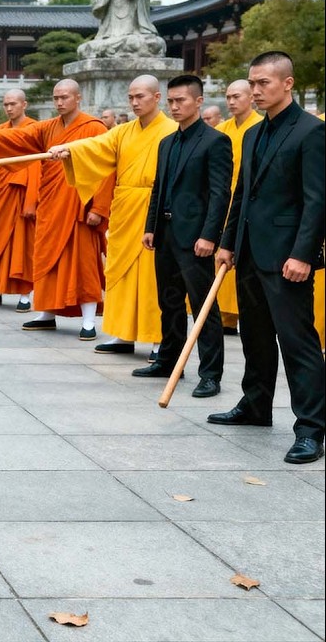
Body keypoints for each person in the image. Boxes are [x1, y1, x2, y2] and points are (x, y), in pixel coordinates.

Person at [211, 51, 324, 464]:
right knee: (253, 336)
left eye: (264, 84)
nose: (256, 91)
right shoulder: (253, 134)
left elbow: (317, 202)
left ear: (288, 84)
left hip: (287, 257)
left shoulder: (311, 132)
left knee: (298, 342)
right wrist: (227, 241)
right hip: (249, 250)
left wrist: (303, 254)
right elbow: (242, 193)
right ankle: (255, 406)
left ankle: (311, 428)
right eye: (252, 83)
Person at [0, 80, 110, 337]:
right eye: (56, 98)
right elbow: (16, 136)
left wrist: (98, 208)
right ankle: (46, 312)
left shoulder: (94, 128)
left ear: (78, 98)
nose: (59, 102)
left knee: (83, 263)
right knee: (46, 259)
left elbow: (106, 169)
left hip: (78, 206)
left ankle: (88, 321)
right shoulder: (48, 127)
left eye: (64, 97)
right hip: (51, 205)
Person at [53, 76, 176, 347]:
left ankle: (158, 340)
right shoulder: (123, 131)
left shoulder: (172, 130)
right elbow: (98, 147)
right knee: (119, 273)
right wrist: (69, 150)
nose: (134, 102)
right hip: (124, 207)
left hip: (153, 208)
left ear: (157, 98)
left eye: (140, 96)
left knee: (151, 277)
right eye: (131, 97)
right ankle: (123, 333)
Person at [137, 74, 231, 398]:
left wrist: (210, 236)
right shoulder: (166, 142)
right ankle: (168, 359)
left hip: (195, 239)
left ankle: (211, 374)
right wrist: (151, 226)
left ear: (199, 101)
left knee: (204, 306)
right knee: (170, 301)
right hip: (165, 234)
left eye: (181, 101)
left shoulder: (215, 141)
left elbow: (220, 194)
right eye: (171, 101)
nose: (175, 107)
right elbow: (158, 187)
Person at [0, 89, 37, 310]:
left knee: (23, 243)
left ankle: (25, 294)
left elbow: (37, 166)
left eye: (13, 104)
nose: (9, 108)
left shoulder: (33, 129)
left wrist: (31, 200)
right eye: (6, 104)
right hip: (0, 191)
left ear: (24, 104)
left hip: (21, 191)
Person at [213, 79, 261, 332]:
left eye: (237, 97)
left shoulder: (260, 127)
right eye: (228, 97)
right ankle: (224, 316)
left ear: (251, 97)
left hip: (248, 202)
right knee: (221, 255)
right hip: (223, 200)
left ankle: (242, 312)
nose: (231, 102)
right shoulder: (221, 129)